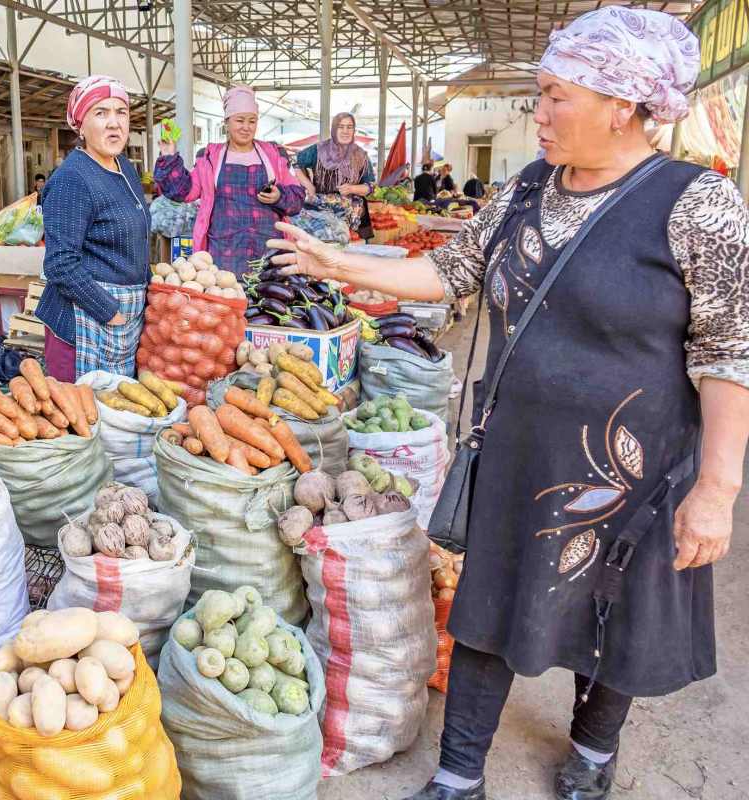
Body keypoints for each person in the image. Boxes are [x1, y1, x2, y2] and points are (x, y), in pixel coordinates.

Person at [267, 9, 748, 799]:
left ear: (621, 104)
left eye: (557, 96)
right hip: (517, 448)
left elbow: (729, 351)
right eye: (541, 95)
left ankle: (593, 752)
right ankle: (460, 774)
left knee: (613, 611)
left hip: (635, 466)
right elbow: (449, 272)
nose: (540, 112)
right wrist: (335, 261)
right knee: (485, 608)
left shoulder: (698, 203)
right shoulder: (527, 187)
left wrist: (718, 491)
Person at [36, 75, 150, 382]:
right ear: (80, 125)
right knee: (85, 416)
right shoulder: (72, 180)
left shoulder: (124, 167)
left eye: (121, 112)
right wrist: (109, 312)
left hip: (123, 318)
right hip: (84, 321)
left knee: (116, 415)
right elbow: (60, 264)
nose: (114, 123)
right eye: (101, 113)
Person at [154, 85, 303, 274]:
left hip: (270, 253)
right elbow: (183, 191)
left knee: (269, 301)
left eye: (252, 121)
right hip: (223, 255)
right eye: (239, 120)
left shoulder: (273, 155)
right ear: (227, 122)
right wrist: (168, 155)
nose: (246, 127)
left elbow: (297, 198)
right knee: (226, 300)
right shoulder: (210, 157)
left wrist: (279, 196)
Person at [294, 112, 376, 237]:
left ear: (354, 130)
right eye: (341, 127)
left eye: (349, 127)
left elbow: (370, 186)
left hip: (353, 214)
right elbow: (296, 163)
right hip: (320, 211)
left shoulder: (361, 155)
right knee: (323, 248)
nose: (345, 131)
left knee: (350, 252)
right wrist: (308, 185)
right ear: (334, 129)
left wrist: (352, 188)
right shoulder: (319, 150)